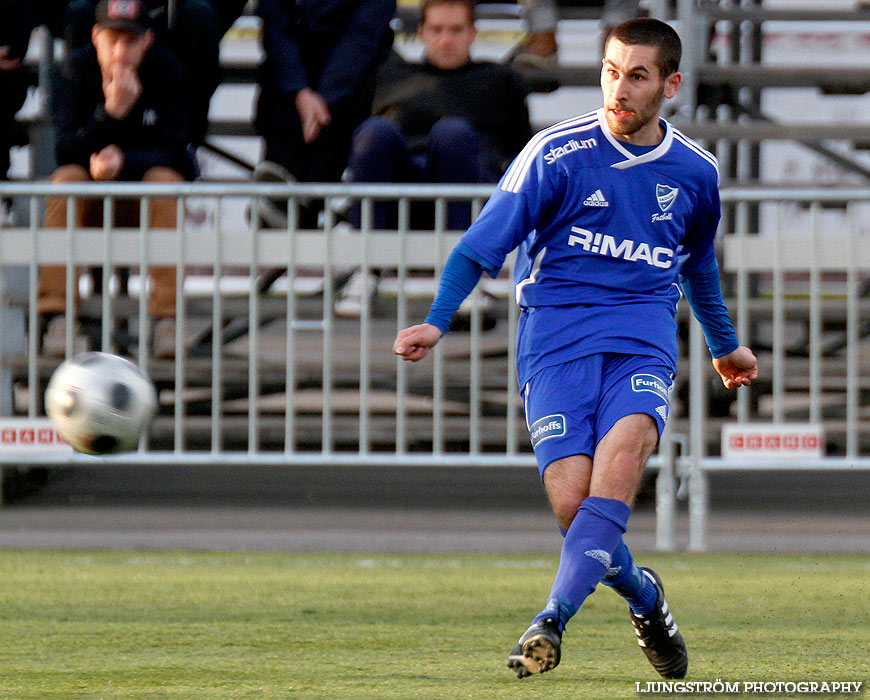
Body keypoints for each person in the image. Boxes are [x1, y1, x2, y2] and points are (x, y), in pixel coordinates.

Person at [393, 18, 758, 680]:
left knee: (619, 467)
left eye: (638, 75)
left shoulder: (696, 172)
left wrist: (725, 346)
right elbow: (482, 246)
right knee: (573, 505)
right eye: (611, 71)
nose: (620, 87)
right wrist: (436, 319)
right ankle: (646, 597)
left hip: (640, 341)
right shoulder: (555, 154)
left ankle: (550, 619)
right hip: (554, 341)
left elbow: (698, 266)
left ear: (670, 85)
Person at [337, 0, 532, 316]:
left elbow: (522, 155)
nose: (445, 40)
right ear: (421, 33)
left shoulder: (500, 80)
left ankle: (463, 276)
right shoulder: (391, 76)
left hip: (471, 190)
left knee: (452, 134)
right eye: (437, 30)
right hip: (401, 197)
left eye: (455, 30)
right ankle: (366, 270)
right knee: (374, 132)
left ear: (472, 33)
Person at [39, 0, 196, 358]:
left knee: (167, 182)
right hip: (91, 195)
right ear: (95, 38)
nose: (121, 53)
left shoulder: (167, 70)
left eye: (131, 41)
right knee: (65, 181)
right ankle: (57, 311)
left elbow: (177, 150)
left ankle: (166, 318)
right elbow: (64, 148)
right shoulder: (76, 69)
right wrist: (109, 115)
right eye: (113, 41)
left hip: (144, 200)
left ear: (147, 41)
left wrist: (126, 161)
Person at [251, 0, 395, 229]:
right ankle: (283, 205)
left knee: (339, 116)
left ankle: (293, 206)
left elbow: (362, 37)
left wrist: (323, 100)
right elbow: (276, 27)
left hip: (353, 88)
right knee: (285, 103)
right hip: (290, 89)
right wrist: (299, 91)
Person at [63, 0, 246, 145]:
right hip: (104, 17)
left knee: (199, 17)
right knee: (78, 14)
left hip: (175, 20)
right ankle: (83, 132)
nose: (120, 53)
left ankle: (187, 140)